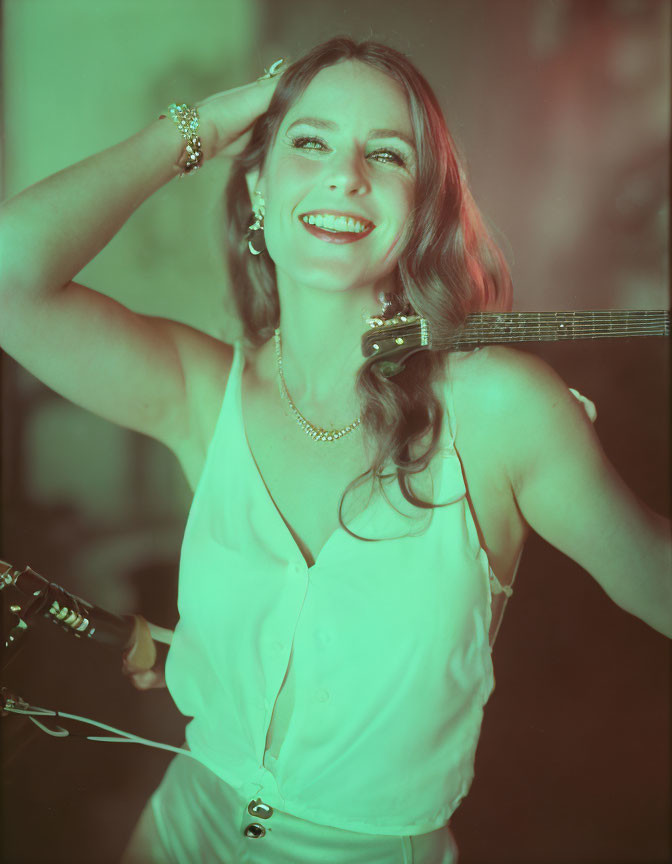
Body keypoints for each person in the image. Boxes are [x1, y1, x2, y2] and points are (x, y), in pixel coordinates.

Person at [0, 35, 669, 864]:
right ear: (257, 188)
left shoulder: (501, 408)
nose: (345, 174)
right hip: (178, 829)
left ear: (422, 205)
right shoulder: (203, 391)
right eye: (309, 141)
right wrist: (210, 122)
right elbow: (10, 273)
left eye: (385, 154)